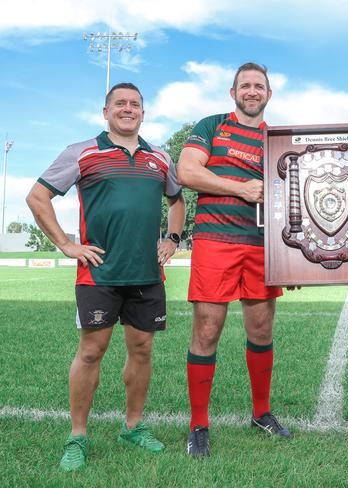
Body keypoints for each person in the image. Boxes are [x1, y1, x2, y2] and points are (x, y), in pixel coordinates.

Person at [26, 82, 186, 472]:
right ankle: (77, 436)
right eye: (120, 104)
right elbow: (37, 196)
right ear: (106, 111)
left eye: (135, 104)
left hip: (147, 273)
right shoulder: (83, 152)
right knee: (91, 351)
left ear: (143, 113)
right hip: (99, 273)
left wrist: (173, 237)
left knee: (143, 349)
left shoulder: (161, 157)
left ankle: (132, 426)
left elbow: (177, 200)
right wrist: (67, 244)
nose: (127, 109)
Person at [177, 62, 290, 458]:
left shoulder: (278, 138)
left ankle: (261, 413)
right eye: (245, 85)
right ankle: (198, 425)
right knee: (207, 330)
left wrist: (294, 257)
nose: (252, 91)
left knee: (261, 328)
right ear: (233, 92)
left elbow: (292, 196)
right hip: (215, 241)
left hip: (262, 246)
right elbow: (187, 171)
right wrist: (240, 188)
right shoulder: (211, 126)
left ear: (269, 94)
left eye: (260, 85)